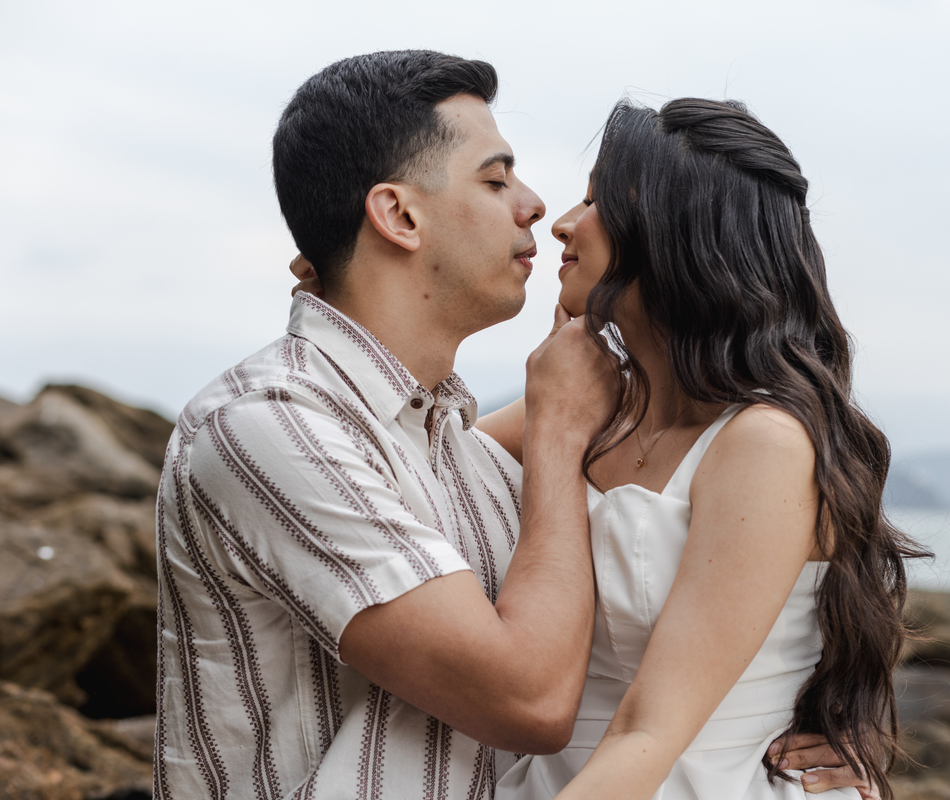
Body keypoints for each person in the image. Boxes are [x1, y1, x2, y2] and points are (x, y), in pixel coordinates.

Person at [154, 50, 617, 800]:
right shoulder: (265, 426)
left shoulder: (453, 445)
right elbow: (528, 699)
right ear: (400, 216)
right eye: (496, 180)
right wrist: (559, 427)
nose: (534, 206)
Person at [481, 98, 928, 800]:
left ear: (672, 234)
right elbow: (416, 476)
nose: (563, 222)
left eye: (597, 201)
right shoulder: (588, 405)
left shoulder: (765, 443)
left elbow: (649, 732)